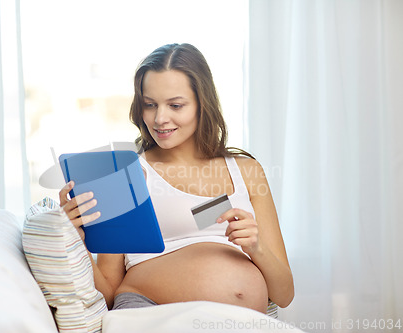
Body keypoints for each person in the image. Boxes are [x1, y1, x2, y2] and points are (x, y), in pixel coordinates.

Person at [59, 43, 294, 313]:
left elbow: (284, 294)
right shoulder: (125, 177)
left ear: (201, 104)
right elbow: (108, 293)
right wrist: (75, 238)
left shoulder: (247, 171)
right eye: (150, 105)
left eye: (175, 105)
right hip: (149, 313)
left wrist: (256, 248)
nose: (160, 118)